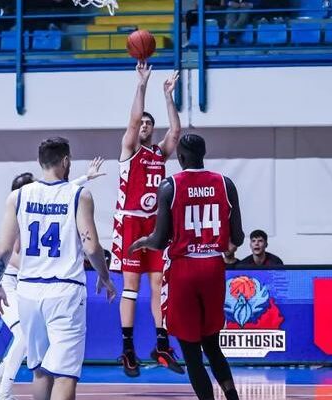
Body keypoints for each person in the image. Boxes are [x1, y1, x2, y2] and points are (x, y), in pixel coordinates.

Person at [0, 138, 115, 400]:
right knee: (65, 374)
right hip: (65, 291)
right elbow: (91, 246)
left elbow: (2, 250)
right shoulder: (79, 195)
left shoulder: (18, 196)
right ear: (66, 161)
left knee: (40, 371)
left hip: (29, 292)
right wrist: (105, 277)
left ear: (39, 162)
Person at [130, 133, 244, 400]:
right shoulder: (225, 184)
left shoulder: (170, 185)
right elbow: (237, 238)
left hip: (184, 270)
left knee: (191, 352)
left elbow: (158, 240)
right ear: (203, 154)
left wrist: (143, 241)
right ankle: (232, 396)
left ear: (179, 157)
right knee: (212, 345)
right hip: (214, 268)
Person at [111, 63, 183, 377]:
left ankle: (162, 344)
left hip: (154, 224)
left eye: (147, 124)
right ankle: (127, 349)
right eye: (140, 123)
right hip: (129, 223)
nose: (143, 126)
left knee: (158, 284)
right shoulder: (129, 149)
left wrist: (168, 97)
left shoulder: (158, 154)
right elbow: (132, 119)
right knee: (131, 287)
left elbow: (176, 133)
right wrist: (141, 85)